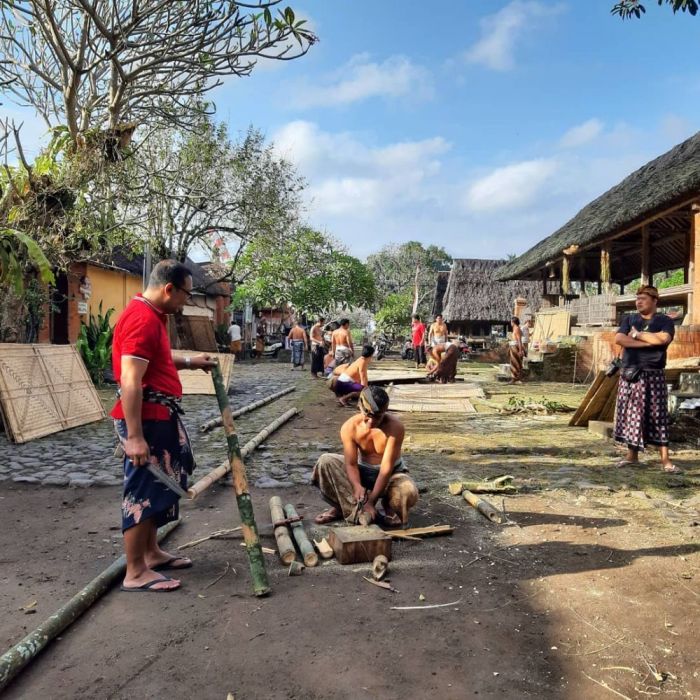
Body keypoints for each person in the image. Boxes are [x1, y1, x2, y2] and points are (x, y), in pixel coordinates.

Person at [111, 260, 217, 592]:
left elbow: (157, 357)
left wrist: (189, 361)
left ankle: (151, 553)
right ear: (169, 289)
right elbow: (130, 379)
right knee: (143, 489)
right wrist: (135, 436)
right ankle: (135, 570)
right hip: (146, 419)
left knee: (161, 488)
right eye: (186, 294)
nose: (186, 301)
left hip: (160, 416)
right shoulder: (142, 319)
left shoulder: (153, 316)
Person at [313, 386, 419, 527]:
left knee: (408, 491)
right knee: (325, 461)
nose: (371, 422)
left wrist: (371, 501)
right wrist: (357, 486)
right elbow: (351, 464)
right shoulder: (349, 427)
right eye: (367, 416)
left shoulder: (395, 427)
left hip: (392, 474)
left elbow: (386, 469)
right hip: (362, 472)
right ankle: (342, 507)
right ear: (359, 407)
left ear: (385, 411)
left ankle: (387, 505)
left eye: (378, 417)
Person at [614, 285, 679, 473]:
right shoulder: (630, 319)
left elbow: (663, 339)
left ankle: (665, 459)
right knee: (631, 416)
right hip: (631, 374)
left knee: (658, 416)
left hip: (653, 374)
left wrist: (637, 334)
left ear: (654, 301)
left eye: (643, 298)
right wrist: (645, 343)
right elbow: (619, 339)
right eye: (637, 298)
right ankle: (631, 456)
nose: (639, 301)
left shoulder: (664, 321)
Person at [509, 316, 524, 383]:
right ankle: (517, 378)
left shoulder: (517, 329)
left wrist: (520, 350)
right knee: (514, 363)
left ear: (513, 322)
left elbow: (519, 340)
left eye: (511, 322)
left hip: (516, 347)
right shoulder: (515, 328)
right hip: (513, 347)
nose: (510, 323)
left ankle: (514, 378)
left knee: (516, 363)